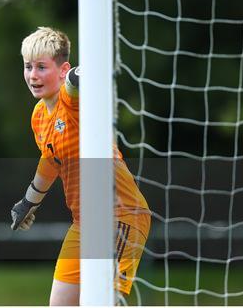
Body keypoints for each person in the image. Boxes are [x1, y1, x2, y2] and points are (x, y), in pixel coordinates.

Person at [10, 27, 151, 305]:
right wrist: (28, 202)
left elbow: (76, 83)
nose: (33, 75)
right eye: (28, 67)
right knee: (60, 303)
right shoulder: (39, 116)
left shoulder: (70, 100)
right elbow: (51, 160)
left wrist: (84, 70)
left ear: (63, 69)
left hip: (120, 216)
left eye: (41, 67)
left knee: (101, 302)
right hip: (84, 222)